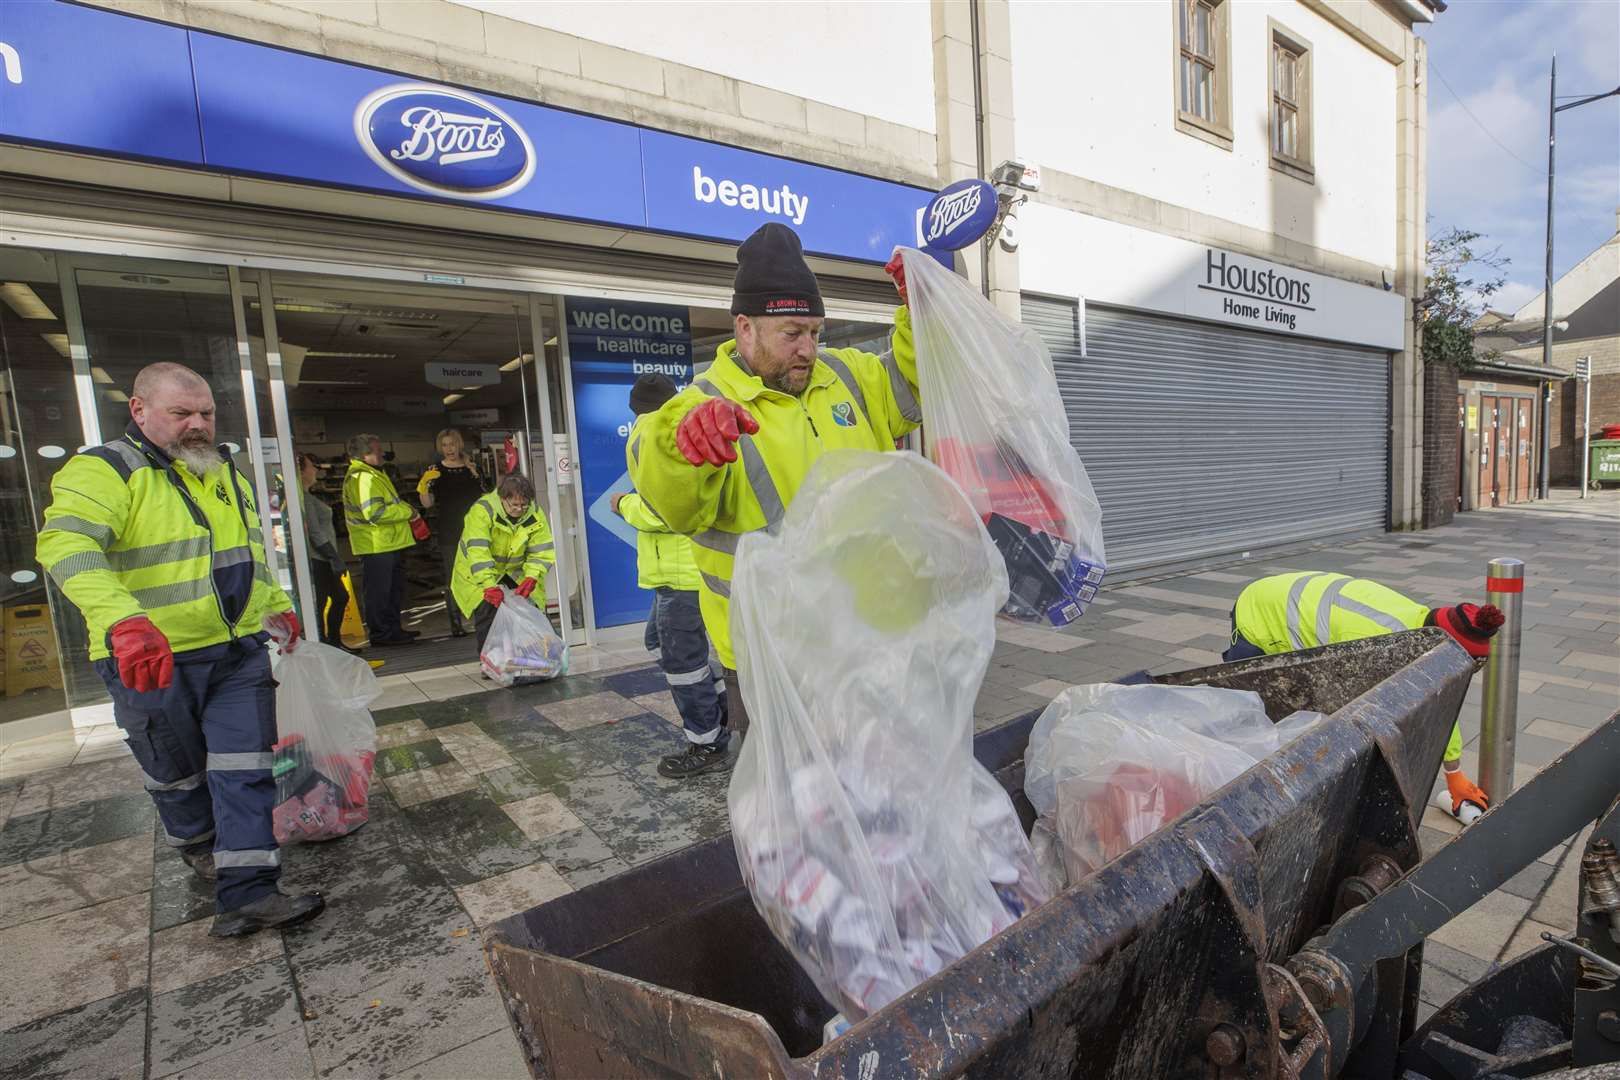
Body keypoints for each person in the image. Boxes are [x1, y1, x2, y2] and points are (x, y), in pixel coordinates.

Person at [35, 362, 325, 937]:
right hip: (150, 658)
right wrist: (124, 620)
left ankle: (249, 891)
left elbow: (245, 554)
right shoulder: (105, 471)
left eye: (206, 413)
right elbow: (64, 544)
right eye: (181, 413)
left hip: (233, 653)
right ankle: (199, 847)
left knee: (245, 767)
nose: (197, 425)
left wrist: (274, 604)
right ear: (139, 411)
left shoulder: (224, 473)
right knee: (176, 773)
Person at [626, 222, 915, 740]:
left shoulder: (848, 376)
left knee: (879, 788)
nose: (808, 349)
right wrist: (679, 446)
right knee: (789, 805)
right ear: (744, 329)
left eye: (815, 332)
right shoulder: (701, 405)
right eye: (792, 334)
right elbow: (658, 473)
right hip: (768, 657)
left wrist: (923, 310)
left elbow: (917, 381)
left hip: (868, 636)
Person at [1224, 571, 1504, 820]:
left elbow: (1439, 698)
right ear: (1441, 650)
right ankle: (1236, 795)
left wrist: (1454, 774)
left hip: (1294, 603)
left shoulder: (1421, 625)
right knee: (1251, 709)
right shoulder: (1380, 644)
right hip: (1261, 611)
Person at [614, 374, 730, 778]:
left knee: (683, 661)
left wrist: (624, 504)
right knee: (662, 645)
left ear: (637, 410)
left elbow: (667, 510)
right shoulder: (674, 428)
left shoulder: (652, 434)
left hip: (682, 577)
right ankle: (720, 711)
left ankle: (706, 741)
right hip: (673, 574)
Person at [450, 473, 556, 656]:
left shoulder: (534, 512)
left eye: (524, 505)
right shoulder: (482, 511)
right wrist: (489, 585)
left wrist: (532, 576)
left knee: (530, 610)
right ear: (502, 498)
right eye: (514, 505)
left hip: (515, 572)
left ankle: (531, 659)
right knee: (487, 613)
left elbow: (541, 550)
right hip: (477, 573)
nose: (519, 509)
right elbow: (478, 552)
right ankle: (491, 662)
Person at [342, 433, 420, 647]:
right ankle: (382, 634)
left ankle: (393, 630)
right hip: (377, 544)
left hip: (388, 543)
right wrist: (407, 511)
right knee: (380, 593)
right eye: (377, 450)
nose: (382, 453)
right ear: (365, 454)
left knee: (393, 591)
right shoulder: (363, 478)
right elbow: (374, 513)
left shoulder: (372, 474)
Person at [417, 428, 485, 637]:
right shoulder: (435, 470)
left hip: (474, 530)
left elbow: (485, 499)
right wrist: (424, 485)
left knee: (479, 574)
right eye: (445, 445)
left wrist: (476, 475)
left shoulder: (473, 468)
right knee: (453, 577)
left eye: (452, 444)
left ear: (459, 445)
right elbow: (427, 504)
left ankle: (481, 619)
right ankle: (456, 622)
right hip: (449, 529)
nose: (449, 449)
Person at [296, 452, 354, 654]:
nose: (316, 470)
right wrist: (334, 557)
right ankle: (326, 645)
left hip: (323, 558)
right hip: (319, 558)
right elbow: (315, 532)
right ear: (301, 471)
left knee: (337, 597)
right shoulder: (303, 499)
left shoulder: (308, 496)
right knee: (324, 602)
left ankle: (332, 643)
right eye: (312, 466)